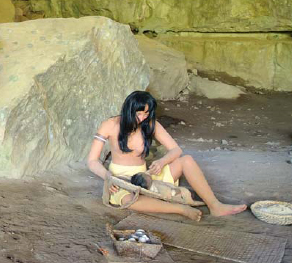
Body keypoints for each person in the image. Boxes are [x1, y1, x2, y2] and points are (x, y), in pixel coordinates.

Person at [87, 90, 247, 220]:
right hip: (119, 179)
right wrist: (108, 177)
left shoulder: (150, 124)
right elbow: (92, 161)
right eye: (139, 114)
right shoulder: (109, 125)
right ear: (129, 109)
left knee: (187, 160)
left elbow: (176, 150)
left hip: (147, 176)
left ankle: (215, 206)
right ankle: (179, 209)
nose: (143, 118)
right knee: (128, 201)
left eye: (146, 114)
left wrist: (162, 162)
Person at [130, 171, 197, 205]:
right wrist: (176, 191)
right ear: (146, 181)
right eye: (144, 174)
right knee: (189, 193)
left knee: (191, 192)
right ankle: (193, 200)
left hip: (176, 191)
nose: (147, 173)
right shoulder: (155, 186)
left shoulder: (151, 186)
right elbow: (167, 192)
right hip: (179, 194)